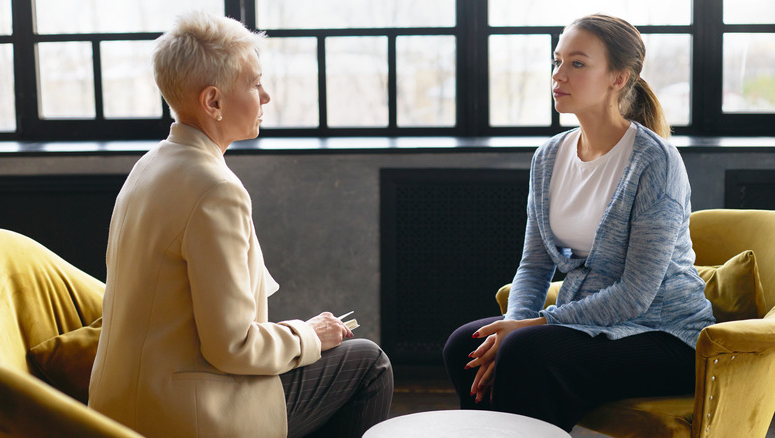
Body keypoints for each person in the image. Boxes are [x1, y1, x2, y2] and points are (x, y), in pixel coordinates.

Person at [88, 11, 392, 438]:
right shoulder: (215, 189)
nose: (265, 96)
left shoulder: (150, 165)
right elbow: (232, 347)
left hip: (122, 403)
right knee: (368, 363)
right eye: (253, 83)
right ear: (213, 102)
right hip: (184, 416)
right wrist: (309, 334)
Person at [443, 14, 715, 433]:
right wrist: (512, 324)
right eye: (557, 61)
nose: (558, 75)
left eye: (578, 64)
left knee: (527, 351)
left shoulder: (654, 162)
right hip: (592, 325)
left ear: (618, 78)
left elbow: (635, 295)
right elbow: (534, 266)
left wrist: (532, 327)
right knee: (467, 344)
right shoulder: (548, 157)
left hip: (665, 335)